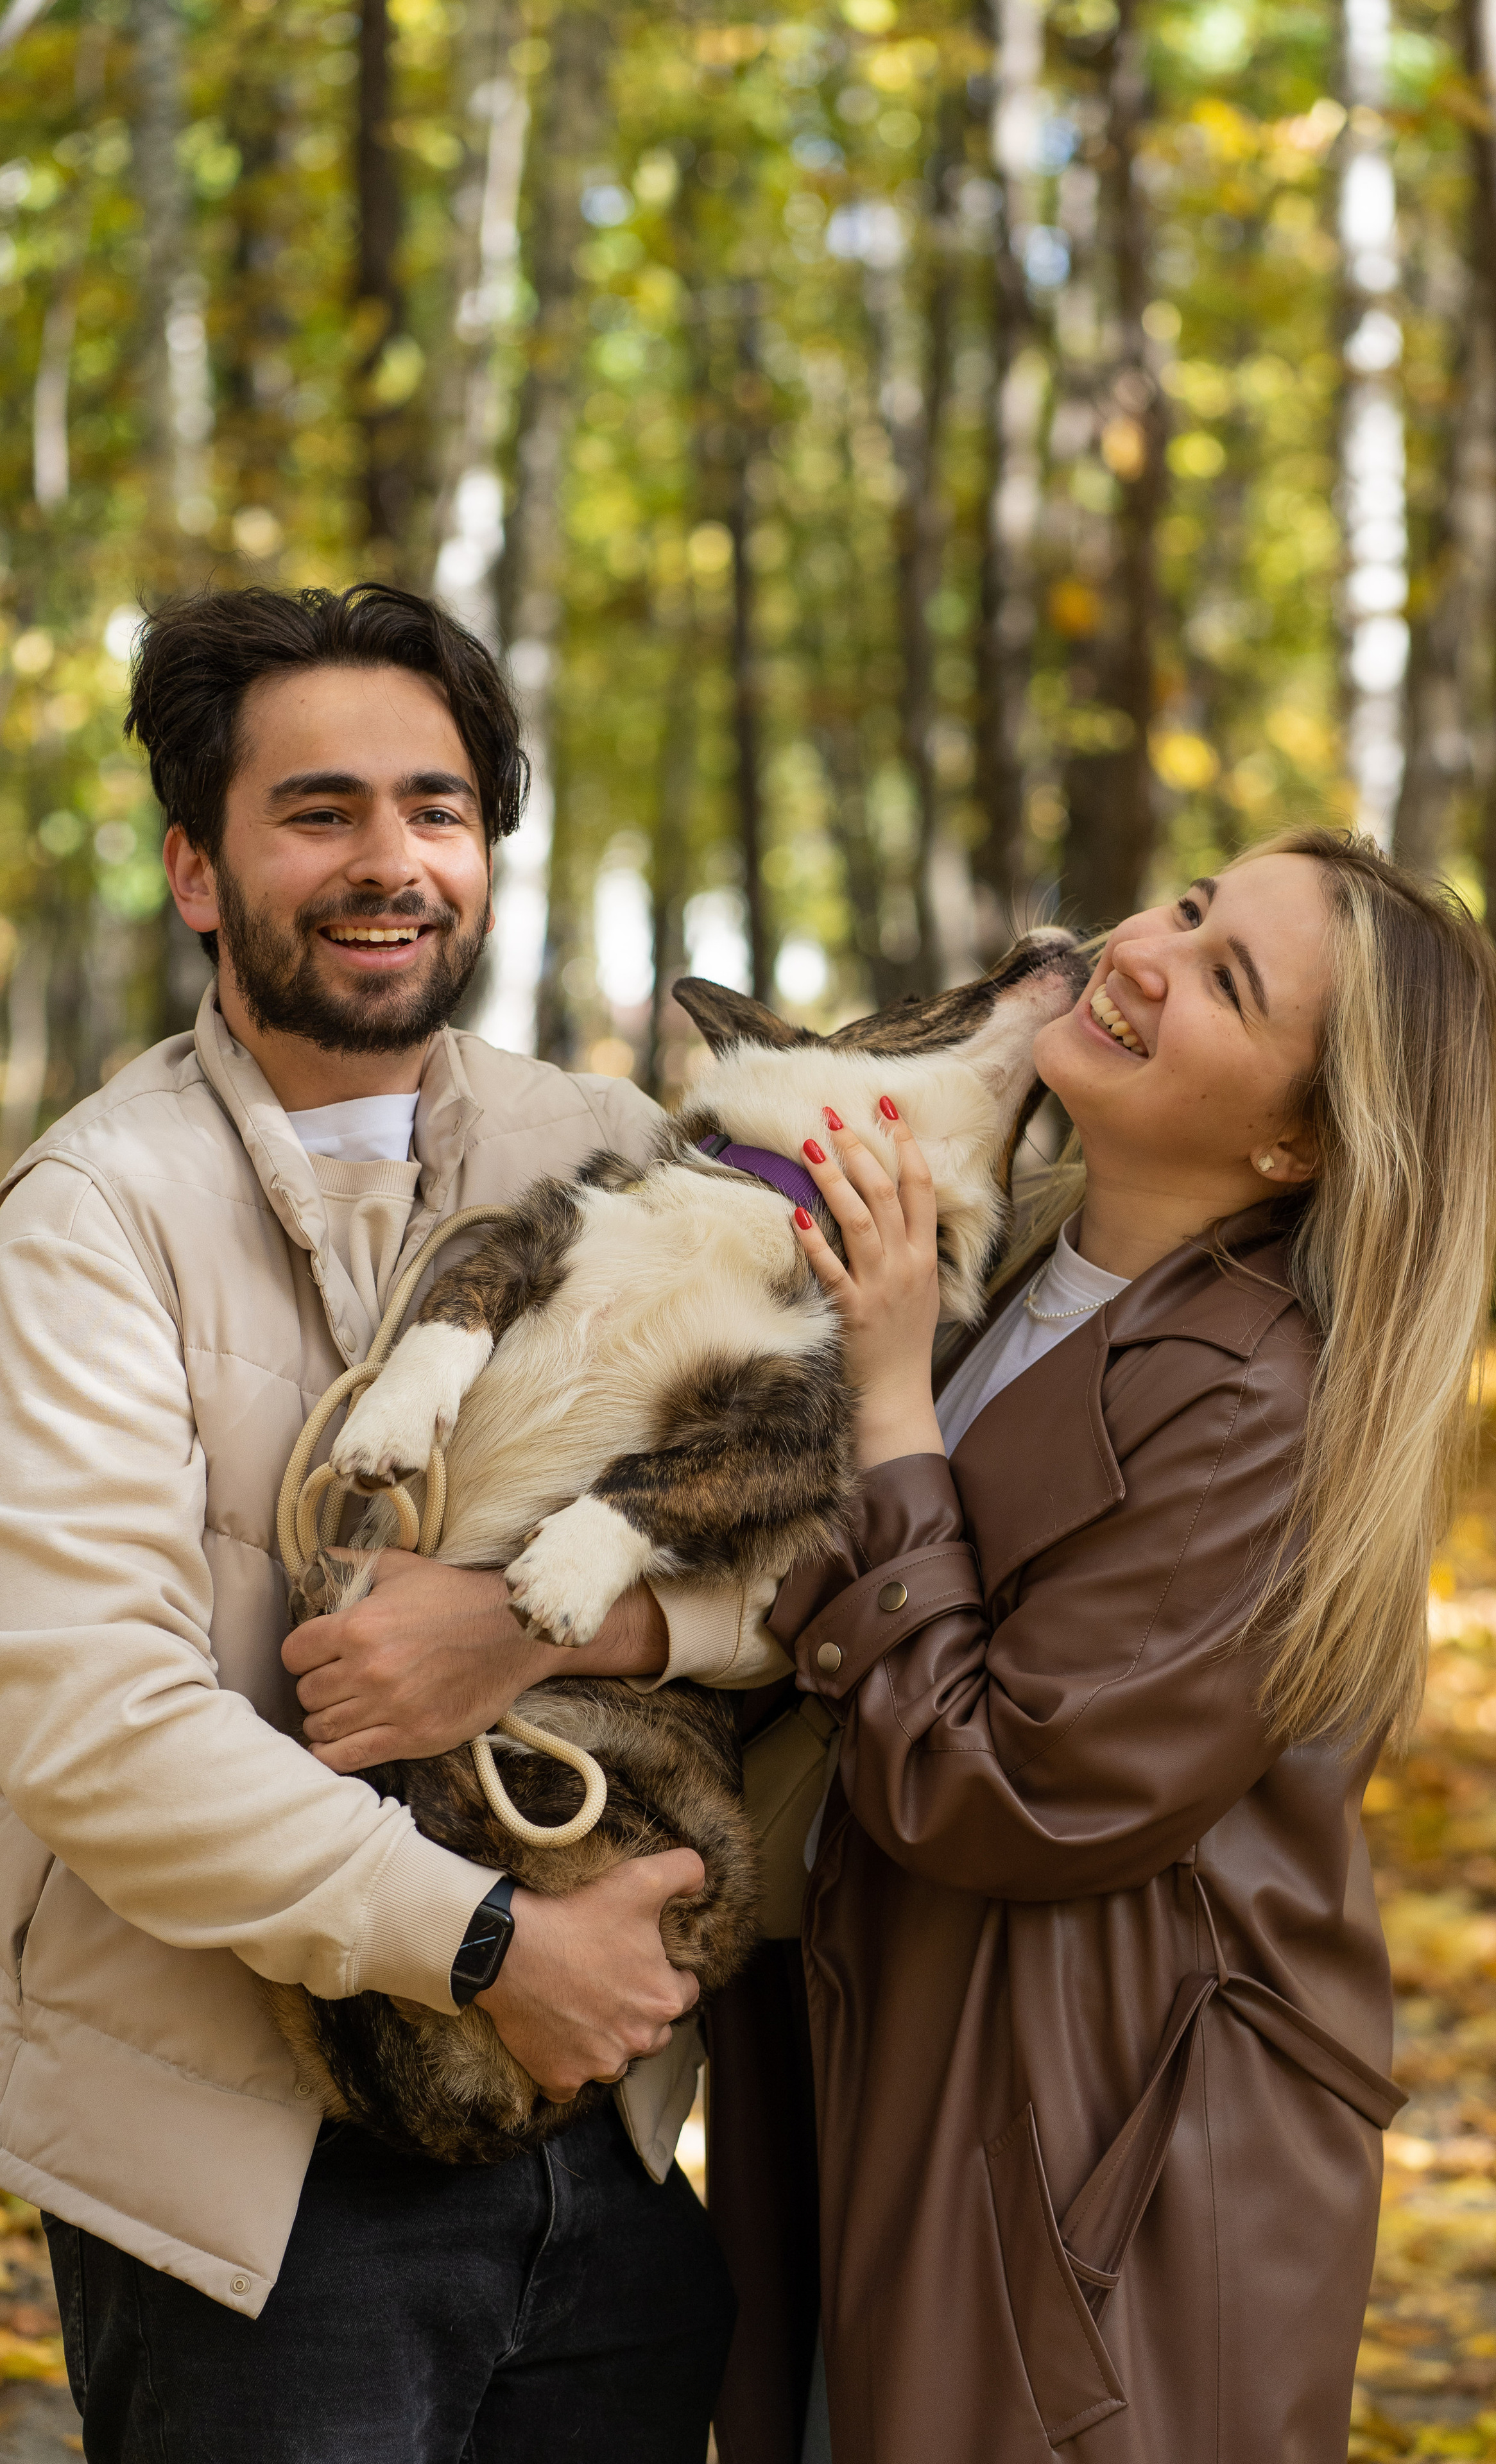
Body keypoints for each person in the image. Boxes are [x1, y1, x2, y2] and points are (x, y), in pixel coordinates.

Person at [0, 582, 783, 2464]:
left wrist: (548, 1628)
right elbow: (91, 1729)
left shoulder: (602, 1142)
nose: (391, 862)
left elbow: (798, 1553)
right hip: (251, 2181)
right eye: (320, 812)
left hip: (599, 2147)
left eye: (436, 810)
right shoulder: (89, 1218)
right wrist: (501, 1947)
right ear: (200, 872)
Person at [745, 831, 1496, 2461]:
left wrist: (886, 1405)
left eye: (1225, 979)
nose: (1142, 953)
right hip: (895, 2073)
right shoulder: (1008, 1254)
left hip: (1091, 2167)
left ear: (1300, 1137)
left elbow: (1005, 1788)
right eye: (1187, 907)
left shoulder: (1263, 1404)